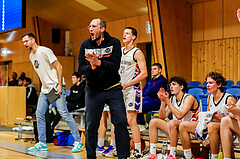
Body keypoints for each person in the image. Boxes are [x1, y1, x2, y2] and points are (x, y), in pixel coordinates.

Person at [21, 32, 83, 152]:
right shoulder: (31, 56)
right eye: (23, 42)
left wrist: (60, 85)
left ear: (33, 40)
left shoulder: (45, 51)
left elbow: (59, 66)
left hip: (56, 86)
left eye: (26, 41)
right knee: (39, 114)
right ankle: (42, 142)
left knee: (63, 113)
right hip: (45, 89)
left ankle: (78, 141)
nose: (25, 44)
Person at [78, 18, 130, 159]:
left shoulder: (114, 43)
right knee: (91, 125)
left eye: (94, 26)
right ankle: (90, 156)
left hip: (113, 89)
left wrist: (99, 62)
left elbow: (115, 66)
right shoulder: (85, 45)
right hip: (93, 91)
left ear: (102, 29)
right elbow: (81, 68)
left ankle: (124, 156)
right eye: (89, 26)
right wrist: (92, 67)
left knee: (120, 122)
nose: (90, 29)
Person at [179, 72, 236, 159]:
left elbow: (236, 121)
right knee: (183, 125)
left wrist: (221, 118)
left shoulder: (229, 99)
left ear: (219, 84)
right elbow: (208, 114)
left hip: (226, 130)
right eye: (207, 83)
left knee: (211, 126)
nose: (207, 85)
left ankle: (214, 157)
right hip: (211, 126)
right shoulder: (210, 97)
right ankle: (188, 156)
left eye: (211, 83)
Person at [141, 76, 199, 159]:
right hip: (174, 129)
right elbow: (162, 117)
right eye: (170, 85)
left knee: (172, 122)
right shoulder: (172, 98)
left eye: (174, 84)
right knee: (154, 121)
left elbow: (179, 116)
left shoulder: (189, 98)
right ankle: (152, 152)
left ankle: (172, 154)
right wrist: (163, 102)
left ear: (181, 87)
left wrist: (168, 101)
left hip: (189, 131)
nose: (171, 87)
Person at [119, 26, 148, 158]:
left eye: (127, 33)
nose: (124, 35)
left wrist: (128, 84)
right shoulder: (119, 51)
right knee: (119, 120)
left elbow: (144, 73)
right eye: (124, 33)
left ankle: (138, 150)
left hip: (132, 89)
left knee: (132, 120)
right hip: (120, 89)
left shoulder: (137, 52)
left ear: (134, 37)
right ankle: (119, 147)